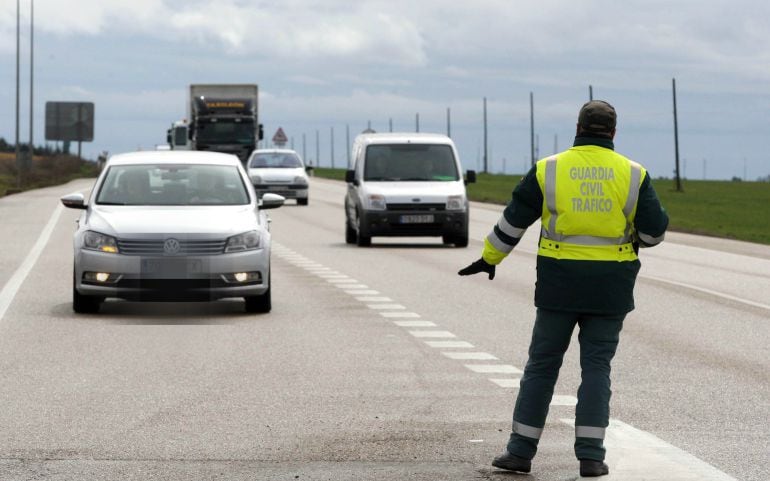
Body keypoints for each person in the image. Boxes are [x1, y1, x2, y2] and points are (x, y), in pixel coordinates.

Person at [458, 100, 669, 477]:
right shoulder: (634, 174)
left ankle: (520, 452)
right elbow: (654, 232)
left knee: (541, 366)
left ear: (578, 127)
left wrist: (490, 258)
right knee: (596, 369)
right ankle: (591, 457)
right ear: (614, 132)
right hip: (610, 289)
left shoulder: (549, 169)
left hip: (559, 286)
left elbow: (513, 221)